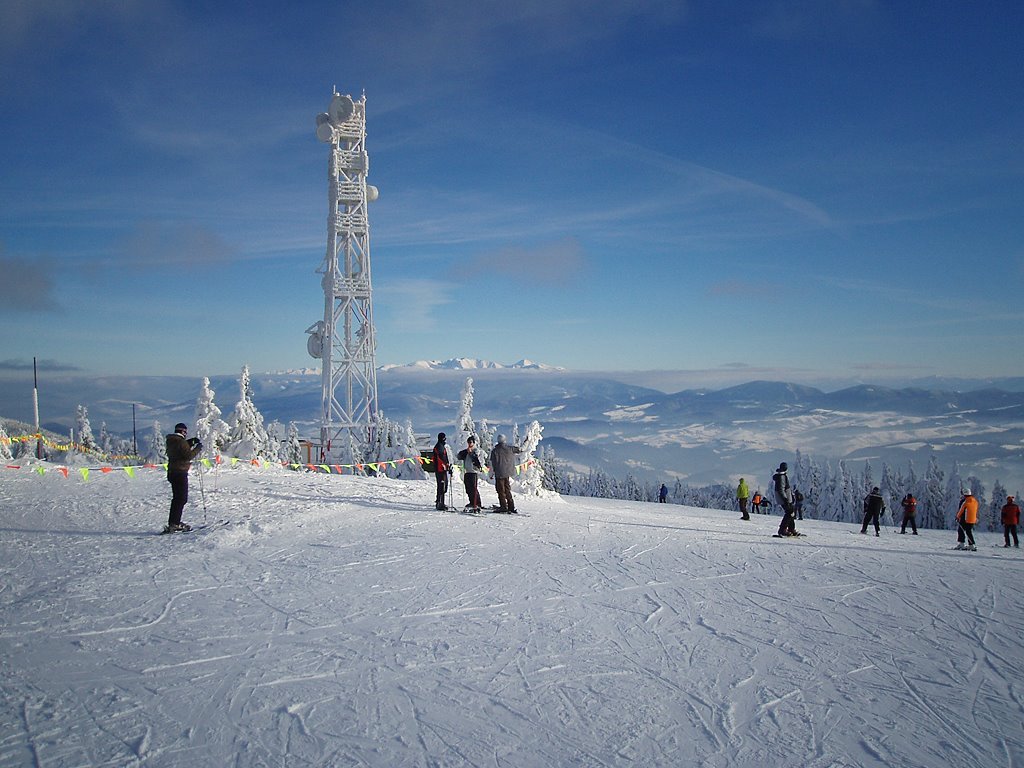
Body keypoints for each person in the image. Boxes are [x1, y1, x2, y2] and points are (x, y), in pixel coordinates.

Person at [165, 422, 202, 532]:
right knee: (181, 499)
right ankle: (175, 523)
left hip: (172, 472)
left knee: (177, 498)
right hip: (180, 473)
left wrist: (190, 443)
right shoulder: (180, 442)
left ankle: (173, 522)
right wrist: (198, 448)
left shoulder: (172, 441)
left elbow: (180, 450)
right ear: (183, 432)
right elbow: (188, 455)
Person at [489, 434, 522, 513]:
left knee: (500, 491)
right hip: (507, 473)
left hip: (499, 473)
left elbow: (492, 463)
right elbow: (521, 449)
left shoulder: (495, 451)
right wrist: (527, 440)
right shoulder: (510, 449)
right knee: (507, 490)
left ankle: (503, 506)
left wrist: (491, 474)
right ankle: (511, 506)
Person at [457, 435, 485, 511]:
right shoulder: (467, 451)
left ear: (473, 443)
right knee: (468, 489)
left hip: (473, 472)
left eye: (471, 442)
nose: (469, 444)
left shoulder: (476, 450)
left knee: (473, 488)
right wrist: (464, 452)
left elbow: (476, 459)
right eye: (468, 442)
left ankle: (477, 503)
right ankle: (472, 501)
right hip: (467, 472)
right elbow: (459, 456)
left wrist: (470, 453)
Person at [773, 462, 798, 536]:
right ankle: (782, 530)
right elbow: (781, 489)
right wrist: (785, 499)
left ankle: (791, 529)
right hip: (784, 499)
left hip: (786, 498)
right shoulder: (782, 476)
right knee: (789, 513)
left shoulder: (782, 475)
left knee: (791, 513)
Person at [431, 432, 452, 510]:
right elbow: (442, 459)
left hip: (441, 469)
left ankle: (440, 502)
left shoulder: (440, 446)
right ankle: (440, 503)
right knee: (442, 486)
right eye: (444, 438)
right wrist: (446, 466)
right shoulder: (439, 446)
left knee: (442, 486)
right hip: (440, 470)